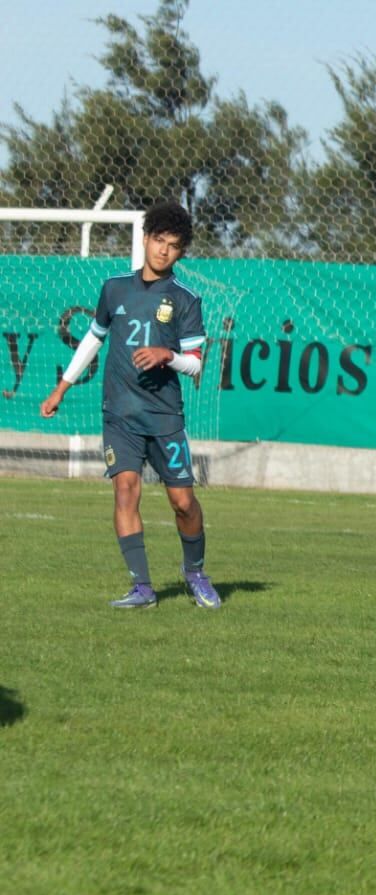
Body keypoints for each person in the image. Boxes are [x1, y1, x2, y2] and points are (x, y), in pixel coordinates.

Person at [38, 202, 220, 609]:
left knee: (183, 502)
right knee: (125, 489)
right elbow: (93, 338)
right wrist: (61, 388)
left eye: (173, 246)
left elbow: (195, 364)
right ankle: (142, 588)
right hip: (119, 412)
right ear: (145, 238)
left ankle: (195, 573)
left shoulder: (186, 299)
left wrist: (167, 355)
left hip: (164, 415)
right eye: (159, 241)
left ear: (181, 252)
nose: (163, 251)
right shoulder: (114, 288)